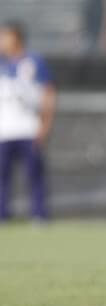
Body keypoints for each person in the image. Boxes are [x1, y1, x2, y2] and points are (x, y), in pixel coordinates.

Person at [0, 22, 56, 223]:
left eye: (4, 36)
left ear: (16, 37)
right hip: (4, 131)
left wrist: (45, 125)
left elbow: (48, 95)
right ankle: (2, 214)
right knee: (2, 176)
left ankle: (39, 215)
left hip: (28, 129)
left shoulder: (34, 62)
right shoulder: (2, 65)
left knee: (34, 175)